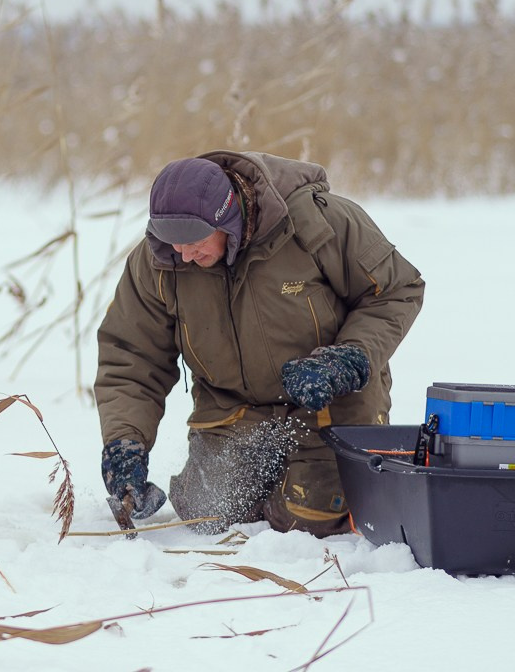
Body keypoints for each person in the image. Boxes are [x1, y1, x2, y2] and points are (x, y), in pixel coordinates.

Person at [95, 150, 424, 536]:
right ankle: (268, 485)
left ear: (227, 218)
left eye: (193, 239)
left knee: (307, 519)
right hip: (232, 411)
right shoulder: (160, 262)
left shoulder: (320, 222)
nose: (182, 253)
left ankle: (309, 482)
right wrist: (125, 444)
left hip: (329, 403)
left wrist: (347, 359)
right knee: (207, 517)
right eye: (171, 241)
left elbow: (397, 290)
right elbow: (132, 357)